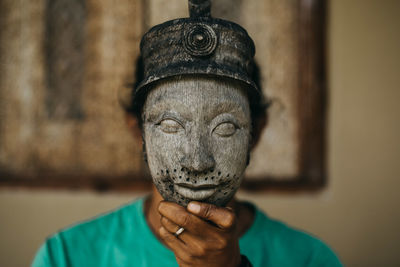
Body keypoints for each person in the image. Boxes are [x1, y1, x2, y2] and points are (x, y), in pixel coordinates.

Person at [32, 1, 342, 266]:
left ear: (255, 133)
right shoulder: (66, 257)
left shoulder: (309, 259)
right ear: (138, 131)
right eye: (170, 125)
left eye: (224, 127)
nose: (197, 162)